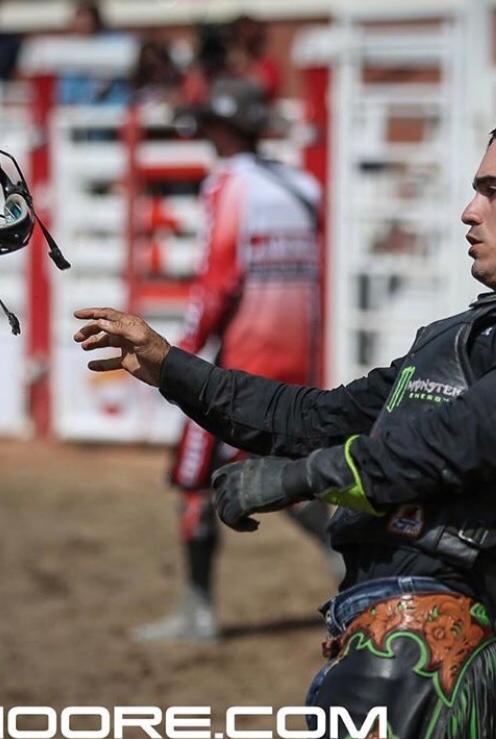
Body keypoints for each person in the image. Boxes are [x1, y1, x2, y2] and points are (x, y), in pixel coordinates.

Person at [74, 107, 496, 736]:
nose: (469, 211)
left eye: (492, 189)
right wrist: (170, 367)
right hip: (384, 641)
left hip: (432, 654)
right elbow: (317, 417)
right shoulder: (467, 333)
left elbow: (469, 439)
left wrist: (299, 479)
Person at [130, 76, 339, 644]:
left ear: (218, 129)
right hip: (296, 356)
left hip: (239, 360)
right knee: (290, 469)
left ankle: (198, 611)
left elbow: (217, 282)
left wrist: (176, 358)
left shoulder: (228, 185)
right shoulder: (303, 185)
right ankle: (343, 557)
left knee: (197, 477)